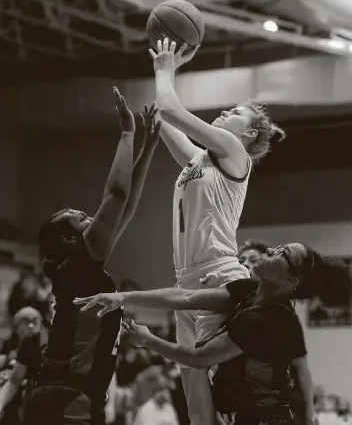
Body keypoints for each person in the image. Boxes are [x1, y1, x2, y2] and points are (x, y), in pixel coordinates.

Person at [148, 37, 286, 425]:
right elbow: (162, 119)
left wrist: (166, 71)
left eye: (236, 113)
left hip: (218, 274)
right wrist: (174, 63)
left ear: (251, 134)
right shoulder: (199, 159)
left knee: (224, 385)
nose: (225, 112)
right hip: (185, 282)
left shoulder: (233, 150)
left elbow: (171, 108)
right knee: (193, 394)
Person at [75, 243, 352, 425]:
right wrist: (122, 296)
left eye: (283, 254)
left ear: (290, 281)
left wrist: (147, 340)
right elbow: (186, 297)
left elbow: (198, 358)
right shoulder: (248, 290)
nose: (272, 248)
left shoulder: (270, 320)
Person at [22, 88, 160, 425]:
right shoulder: (77, 269)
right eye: (83, 217)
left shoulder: (76, 272)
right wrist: (127, 133)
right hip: (68, 396)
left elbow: (124, 206)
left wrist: (147, 149)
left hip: (69, 395)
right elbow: (115, 194)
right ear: (70, 238)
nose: (93, 219)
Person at [0, 307, 43, 425]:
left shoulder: (44, 348)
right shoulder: (9, 348)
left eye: (34, 321)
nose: (31, 326)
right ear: (16, 328)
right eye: (26, 322)